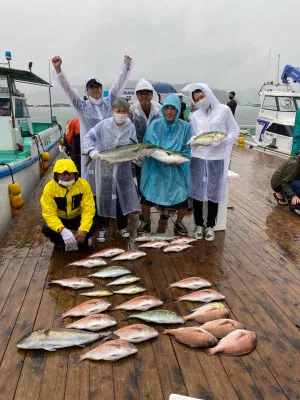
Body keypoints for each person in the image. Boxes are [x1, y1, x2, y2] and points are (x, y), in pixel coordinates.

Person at [51, 55, 132, 179]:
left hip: (110, 151)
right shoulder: (82, 106)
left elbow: (118, 85)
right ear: (86, 91)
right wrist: (58, 70)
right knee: (92, 184)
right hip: (91, 152)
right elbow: (67, 90)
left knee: (110, 182)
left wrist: (126, 67)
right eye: (91, 87)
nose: (95, 89)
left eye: (98, 86)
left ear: (101, 89)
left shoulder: (109, 102)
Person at [83, 98, 141, 240]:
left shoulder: (130, 126)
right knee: (103, 197)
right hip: (105, 168)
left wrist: (137, 156)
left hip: (122, 170)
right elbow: (88, 137)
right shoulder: (103, 125)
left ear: (128, 113)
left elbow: (134, 144)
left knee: (122, 197)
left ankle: (121, 226)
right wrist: (92, 151)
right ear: (113, 111)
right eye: (118, 111)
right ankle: (103, 228)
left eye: (124, 111)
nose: (121, 114)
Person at [188, 84, 240, 241]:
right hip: (198, 157)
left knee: (213, 192)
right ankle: (198, 224)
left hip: (216, 158)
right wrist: (193, 140)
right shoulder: (195, 116)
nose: (200, 101)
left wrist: (223, 141)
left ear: (208, 94)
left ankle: (210, 225)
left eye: (202, 97)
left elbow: (234, 131)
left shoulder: (224, 110)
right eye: (196, 100)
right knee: (197, 192)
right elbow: (193, 134)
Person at [137, 94, 191, 235]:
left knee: (182, 197)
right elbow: (148, 144)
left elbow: (188, 149)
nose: (169, 111)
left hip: (176, 169)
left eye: (172, 108)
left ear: (178, 110)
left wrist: (179, 160)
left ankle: (178, 222)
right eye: (166, 108)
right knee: (147, 196)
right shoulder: (155, 124)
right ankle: (146, 221)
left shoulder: (186, 127)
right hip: (154, 168)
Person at [41, 159, 98, 251]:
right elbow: (48, 213)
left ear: (75, 174)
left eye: (70, 173)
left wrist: (83, 229)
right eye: (62, 173)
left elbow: (89, 209)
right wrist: (62, 230)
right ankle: (59, 241)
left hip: (77, 217)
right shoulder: (49, 188)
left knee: (94, 224)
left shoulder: (83, 184)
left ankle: (82, 240)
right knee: (46, 228)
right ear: (56, 175)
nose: (67, 176)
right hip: (60, 218)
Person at [129, 78, 163, 189]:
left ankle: (159, 202)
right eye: (140, 93)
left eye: (147, 93)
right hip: (139, 153)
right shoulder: (132, 110)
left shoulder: (159, 109)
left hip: (156, 151)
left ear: (151, 94)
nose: (144, 96)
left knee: (157, 180)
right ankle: (143, 200)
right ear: (136, 95)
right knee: (142, 181)